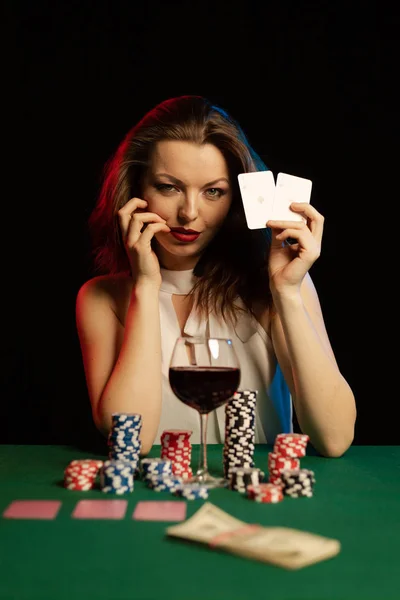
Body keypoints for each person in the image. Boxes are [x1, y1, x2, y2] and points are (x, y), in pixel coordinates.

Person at [75, 95, 356, 457]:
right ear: (136, 190)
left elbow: (334, 439)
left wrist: (286, 293)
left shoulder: (279, 285)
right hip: (157, 503)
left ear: (236, 199)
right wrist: (146, 287)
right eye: (168, 187)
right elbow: (133, 442)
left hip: (252, 503)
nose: (189, 213)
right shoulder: (99, 298)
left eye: (213, 192)